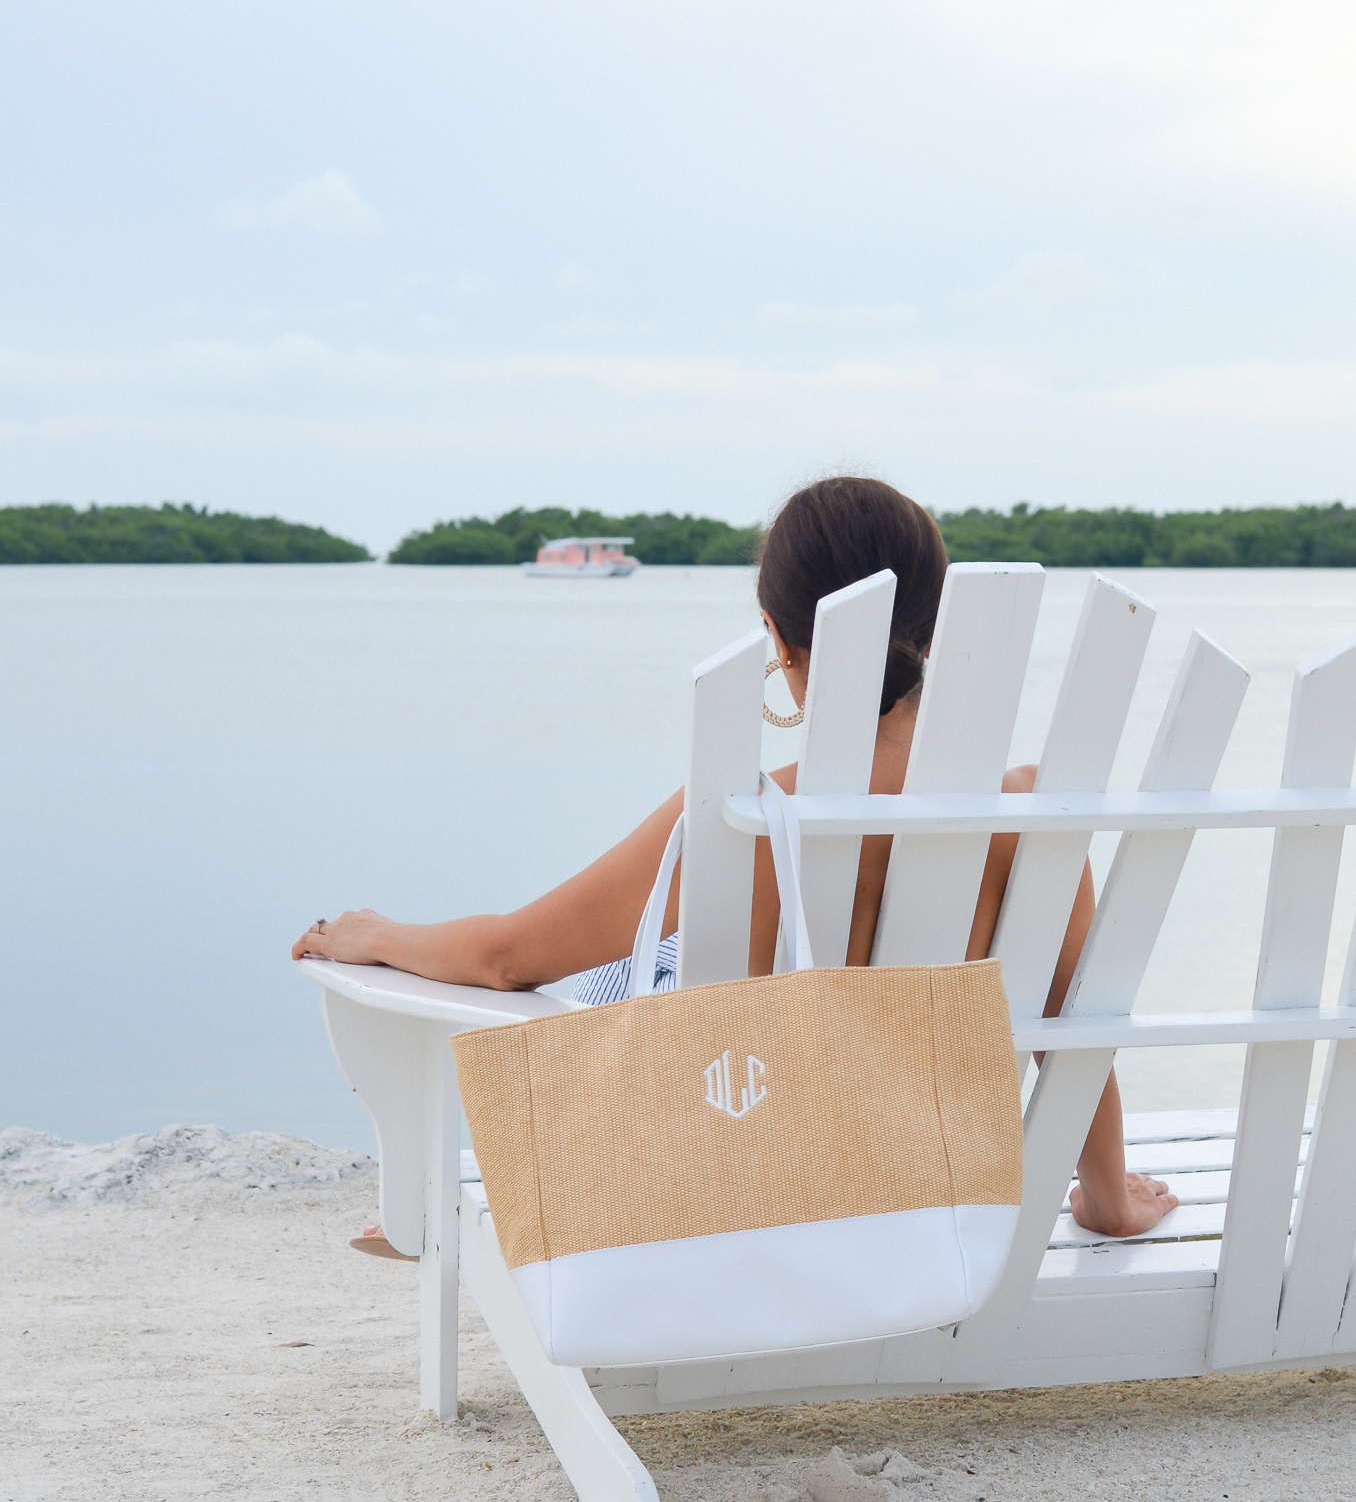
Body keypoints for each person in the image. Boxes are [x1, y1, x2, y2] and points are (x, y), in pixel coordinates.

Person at [293, 474, 1177, 1250]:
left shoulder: (746, 816)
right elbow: (1072, 1025)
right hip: (926, 1185)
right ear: (935, 625)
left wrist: (381, 933)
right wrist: (1108, 1201)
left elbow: (505, 960)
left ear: (774, 635)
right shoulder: (1025, 811)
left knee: (627, 962)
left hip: (739, 1184)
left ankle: (428, 1203)